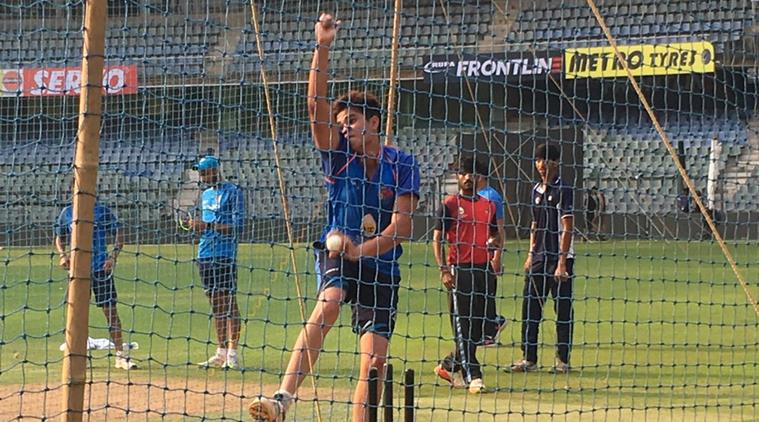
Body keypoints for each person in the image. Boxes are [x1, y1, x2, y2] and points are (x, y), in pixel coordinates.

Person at [249, 13, 420, 422]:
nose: (344, 129)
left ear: (374, 123)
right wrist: (322, 45)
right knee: (329, 303)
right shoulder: (339, 157)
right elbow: (314, 108)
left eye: (353, 122)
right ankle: (281, 400)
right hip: (337, 253)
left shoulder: (402, 164)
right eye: (341, 123)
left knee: (373, 362)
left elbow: (403, 228)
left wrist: (363, 250)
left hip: (379, 264)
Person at [433, 156, 502, 394]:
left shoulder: (488, 205)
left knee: (482, 327)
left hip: (483, 270)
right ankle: (474, 375)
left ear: (479, 177)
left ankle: (449, 365)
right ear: (458, 177)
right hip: (459, 270)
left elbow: (496, 235)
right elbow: (437, 239)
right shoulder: (450, 204)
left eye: (472, 173)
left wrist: (493, 243)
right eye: (464, 173)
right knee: (462, 323)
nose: (468, 177)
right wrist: (443, 269)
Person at [54, 187, 137, 370]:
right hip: (78, 272)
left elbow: (119, 233)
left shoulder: (102, 211)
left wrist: (113, 257)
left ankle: (120, 356)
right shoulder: (67, 213)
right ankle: (77, 355)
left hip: (100, 269)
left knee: (111, 312)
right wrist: (62, 255)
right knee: (76, 315)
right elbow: (59, 238)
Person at [510, 143, 575, 374]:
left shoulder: (564, 189)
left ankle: (562, 360)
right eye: (538, 161)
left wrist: (562, 261)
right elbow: (534, 225)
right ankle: (529, 358)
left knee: (563, 311)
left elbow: (567, 227)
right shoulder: (535, 190)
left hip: (558, 259)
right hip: (538, 257)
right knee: (530, 308)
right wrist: (530, 254)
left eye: (545, 161)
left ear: (555, 163)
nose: (541, 165)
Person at [186, 154, 246, 370]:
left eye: (205, 172)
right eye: (200, 173)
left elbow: (239, 226)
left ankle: (233, 351)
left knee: (228, 301)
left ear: (215, 170)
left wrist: (208, 226)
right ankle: (220, 351)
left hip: (224, 253)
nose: (202, 176)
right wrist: (196, 226)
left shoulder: (234, 192)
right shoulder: (205, 195)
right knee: (215, 303)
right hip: (205, 253)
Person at [474, 165, 507, 346]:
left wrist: (497, 257)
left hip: (488, 253)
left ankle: (490, 332)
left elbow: (499, 229)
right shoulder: (474, 196)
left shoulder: (491, 196)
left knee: (486, 294)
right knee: (477, 294)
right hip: (474, 254)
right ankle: (492, 324)